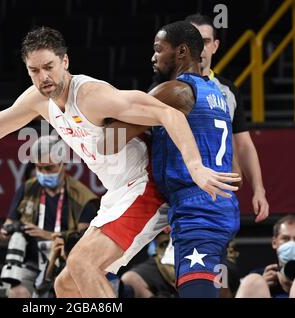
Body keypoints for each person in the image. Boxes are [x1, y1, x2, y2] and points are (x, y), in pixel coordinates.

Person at [0, 26, 240, 297]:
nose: (43, 78)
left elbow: (168, 113)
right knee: (67, 284)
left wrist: (195, 166)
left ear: (65, 62)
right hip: (119, 193)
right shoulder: (37, 99)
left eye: (49, 67)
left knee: (83, 264)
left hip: (144, 187)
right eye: (34, 70)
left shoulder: (93, 94)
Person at [103, 21, 240, 297]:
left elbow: (110, 139)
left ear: (181, 52)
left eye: (158, 49)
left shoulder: (173, 91)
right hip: (216, 207)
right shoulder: (216, 91)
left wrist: (100, 103)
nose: (153, 56)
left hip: (198, 212)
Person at [185, 13, 269, 223]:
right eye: (192, 41)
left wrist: (259, 189)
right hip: (180, 193)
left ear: (215, 45)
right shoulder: (168, 87)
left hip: (218, 199)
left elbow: (244, 146)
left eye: (204, 41)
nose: (199, 48)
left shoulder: (229, 91)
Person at [0, 135, 98, 297]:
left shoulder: (82, 196)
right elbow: (5, 230)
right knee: (17, 292)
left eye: (49, 168)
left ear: (63, 164)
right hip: (32, 261)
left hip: (65, 261)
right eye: (39, 168)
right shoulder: (27, 189)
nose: (43, 173)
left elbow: (86, 240)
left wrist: (48, 235)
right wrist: (7, 231)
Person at [236, 215, 295, 298]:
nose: (291, 244)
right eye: (285, 239)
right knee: (253, 281)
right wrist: (261, 286)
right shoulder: (262, 276)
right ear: (274, 243)